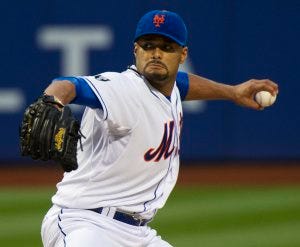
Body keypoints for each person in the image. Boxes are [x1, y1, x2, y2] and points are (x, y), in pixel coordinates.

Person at [40, 10, 278, 247]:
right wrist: (53, 102)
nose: (156, 53)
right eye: (148, 45)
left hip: (137, 233)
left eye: (166, 47)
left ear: (182, 55)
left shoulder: (170, 88)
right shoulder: (123, 89)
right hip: (86, 223)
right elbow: (69, 85)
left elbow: (182, 85)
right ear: (136, 50)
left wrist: (232, 92)